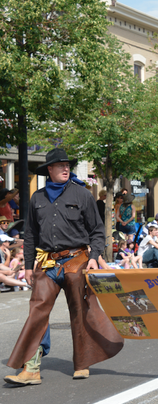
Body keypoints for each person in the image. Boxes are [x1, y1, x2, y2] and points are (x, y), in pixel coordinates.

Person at [4, 148, 123, 386]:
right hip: (47, 262)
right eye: (60, 165)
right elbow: (30, 236)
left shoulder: (83, 195)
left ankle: (82, 363)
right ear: (49, 169)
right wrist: (28, 266)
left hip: (77, 259)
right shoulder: (36, 197)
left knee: (80, 310)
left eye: (67, 165)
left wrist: (94, 255)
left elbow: (97, 231)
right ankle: (32, 368)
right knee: (37, 311)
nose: (66, 168)